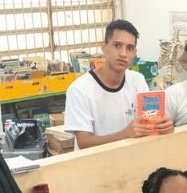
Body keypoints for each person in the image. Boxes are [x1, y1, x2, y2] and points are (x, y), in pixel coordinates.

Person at [65, 19, 173, 149]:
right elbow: (84, 142)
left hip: (131, 161)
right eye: (117, 45)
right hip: (95, 164)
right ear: (104, 47)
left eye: (130, 48)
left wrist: (164, 125)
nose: (123, 54)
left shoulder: (138, 80)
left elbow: (150, 125)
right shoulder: (79, 90)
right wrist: (125, 134)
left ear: (134, 53)